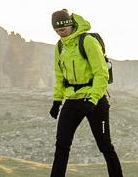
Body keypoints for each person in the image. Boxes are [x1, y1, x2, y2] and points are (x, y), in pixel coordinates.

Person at [49, 9, 123, 177]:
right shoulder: (60, 46)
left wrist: (92, 99)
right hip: (72, 101)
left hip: (95, 102)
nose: (61, 33)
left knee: (105, 145)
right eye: (57, 31)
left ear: (70, 24)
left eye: (63, 29)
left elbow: (101, 74)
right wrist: (56, 101)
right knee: (61, 145)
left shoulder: (88, 41)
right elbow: (60, 76)